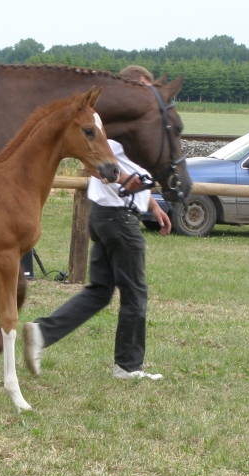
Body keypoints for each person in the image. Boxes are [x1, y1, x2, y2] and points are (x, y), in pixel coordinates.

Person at [22, 65, 170, 380]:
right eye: (142, 89)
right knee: (135, 292)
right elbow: (92, 163)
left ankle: (41, 332)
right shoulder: (110, 130)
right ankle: (129, 367)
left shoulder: (123, 130)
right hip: (118, 219)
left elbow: (130, 170)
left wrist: (153, 206)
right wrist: (123, 180)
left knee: (100, 291)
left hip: (105, 215)